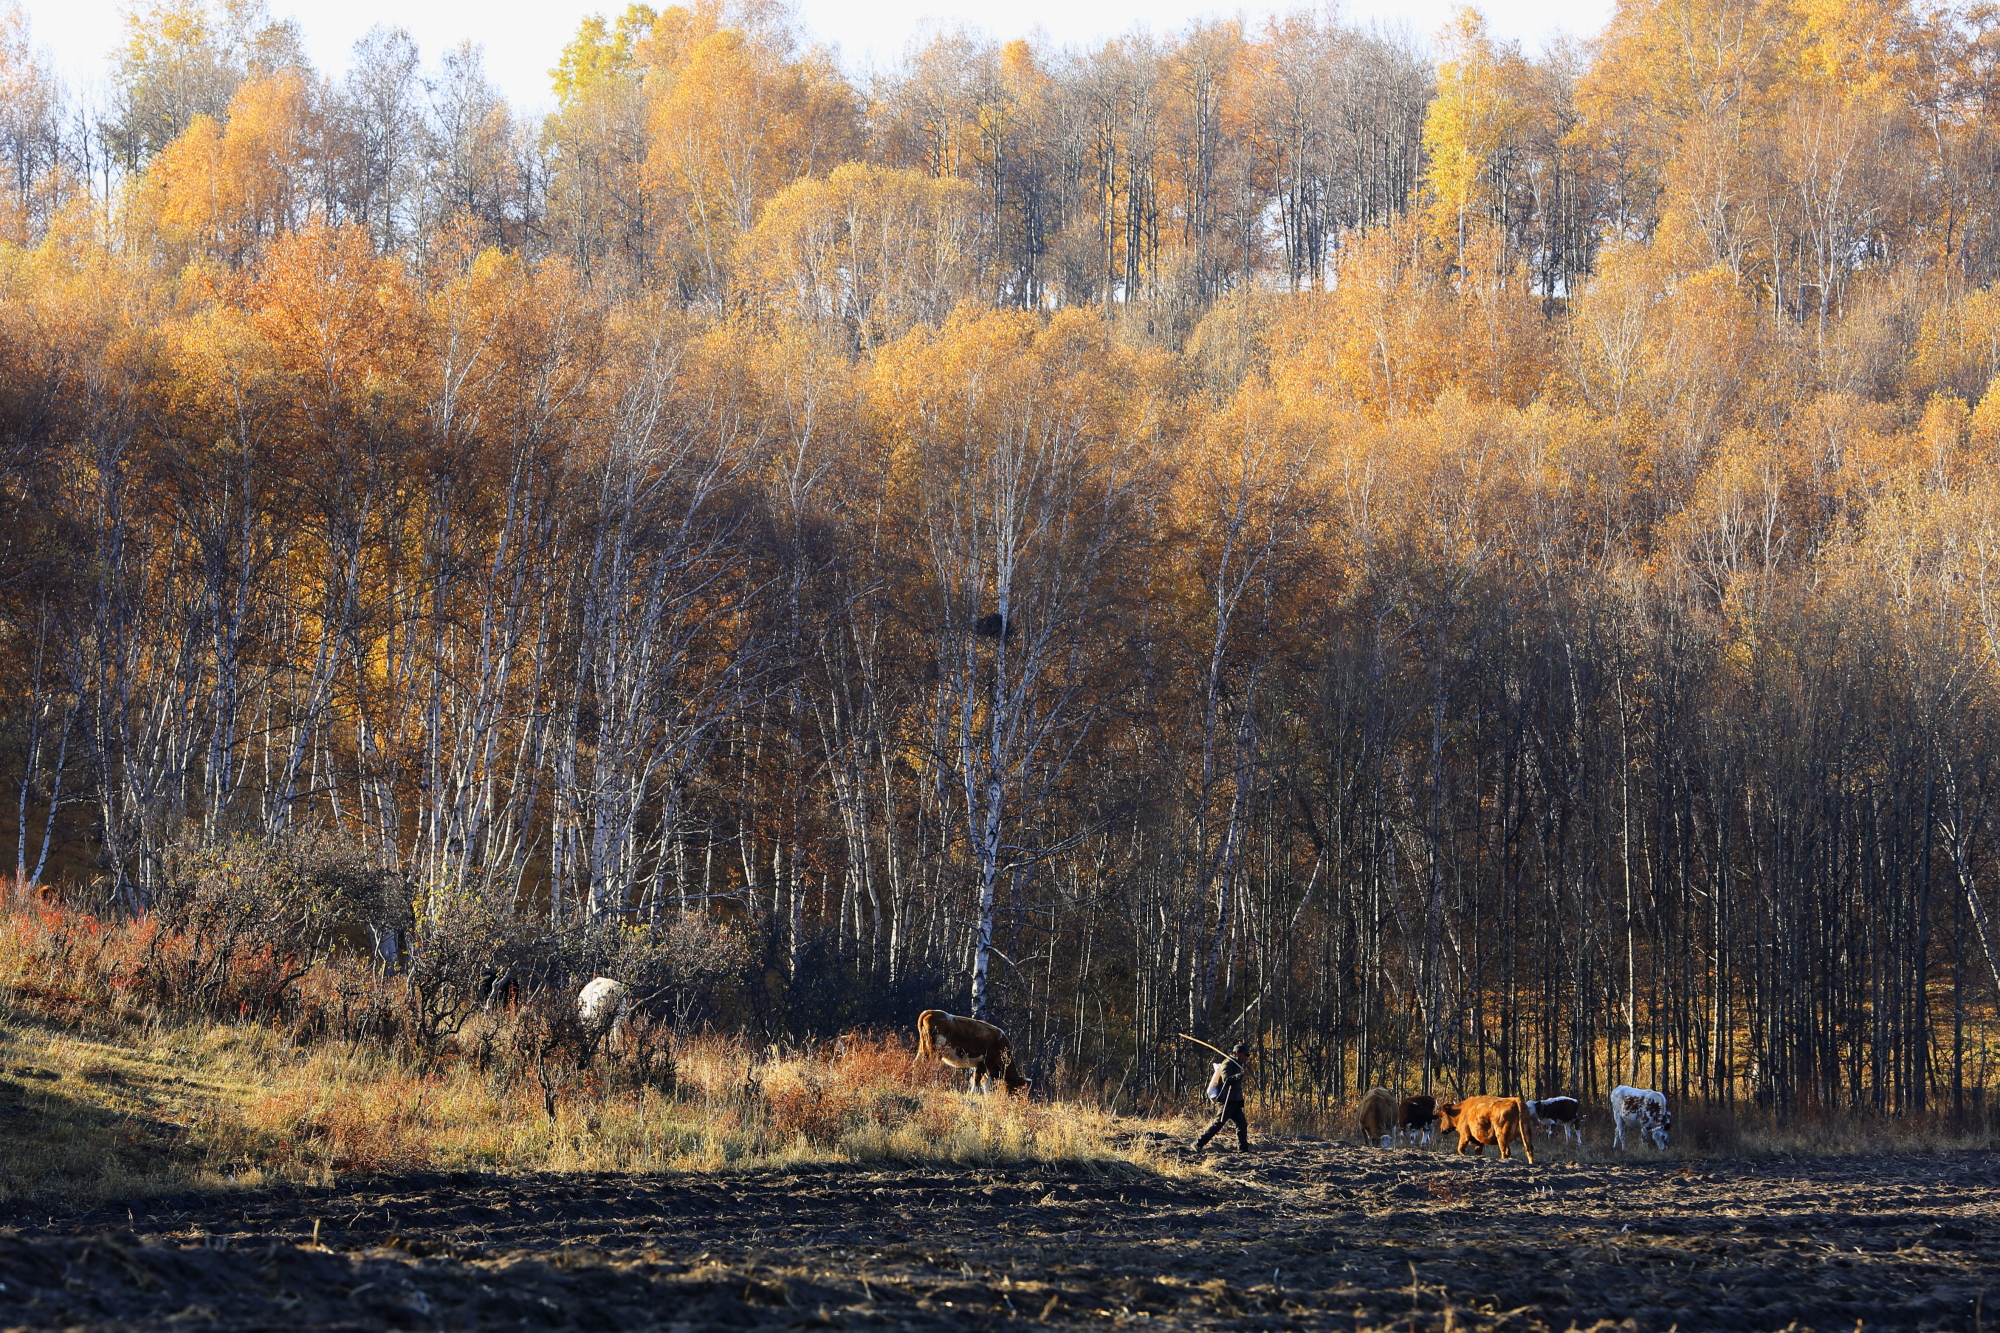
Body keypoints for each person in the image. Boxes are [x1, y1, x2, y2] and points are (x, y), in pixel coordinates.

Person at [1192, 1042, 1251, 1151]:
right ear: (1237, 1053)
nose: (1245, 1057)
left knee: (1242, 1125)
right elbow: (1226, 1080)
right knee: (1218, 1124)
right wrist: (1240, 1075)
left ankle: (1243, 1149)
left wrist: (1240, 1075)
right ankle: (1198, 1143)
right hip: (1227, 1100)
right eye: (1244, 1054)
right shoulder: (1228, 1063)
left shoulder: (1237, 1064)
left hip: (1235, 1101)